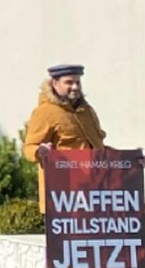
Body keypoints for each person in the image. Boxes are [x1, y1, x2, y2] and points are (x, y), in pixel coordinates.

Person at [22, 64, 107, 210]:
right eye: (69, 82)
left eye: (77, 82)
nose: (75, 87)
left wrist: (131, 161)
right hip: (62, 197)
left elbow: (98, 147)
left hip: (92, 194)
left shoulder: (87, 111)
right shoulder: (45, 112)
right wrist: (39, 152)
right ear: (55, 84)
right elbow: (29, 147)